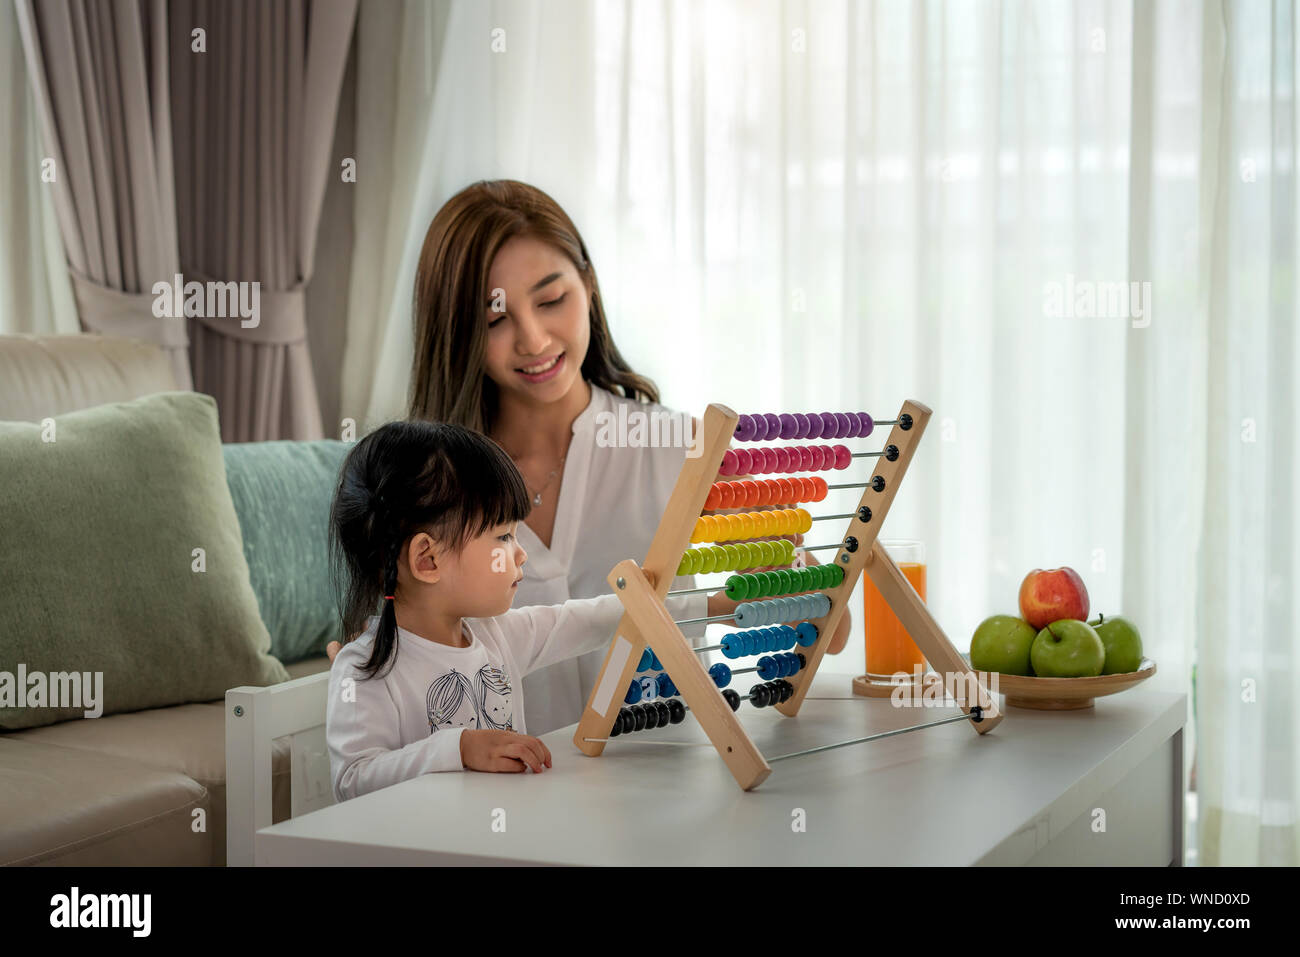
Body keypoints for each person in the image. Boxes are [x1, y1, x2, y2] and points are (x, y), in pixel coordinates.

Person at [330, 179, 850, 735]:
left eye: (552, 300)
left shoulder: (681, 450)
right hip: (505, 796)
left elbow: (830, 631)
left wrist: (784, 567)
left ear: (589, 285)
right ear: (456, 331)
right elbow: (371, 663)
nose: (532, 339)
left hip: (670, 783)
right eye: (495, 318)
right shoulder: (416, 487)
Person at [325, 419, 712, 802]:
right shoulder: (365, 668)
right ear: (428, 559)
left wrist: (712, 606)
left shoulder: (498, 635)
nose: (521, 552)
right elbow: (353, 779)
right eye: (504, 536)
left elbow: (601, 617)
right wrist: (458, 748)